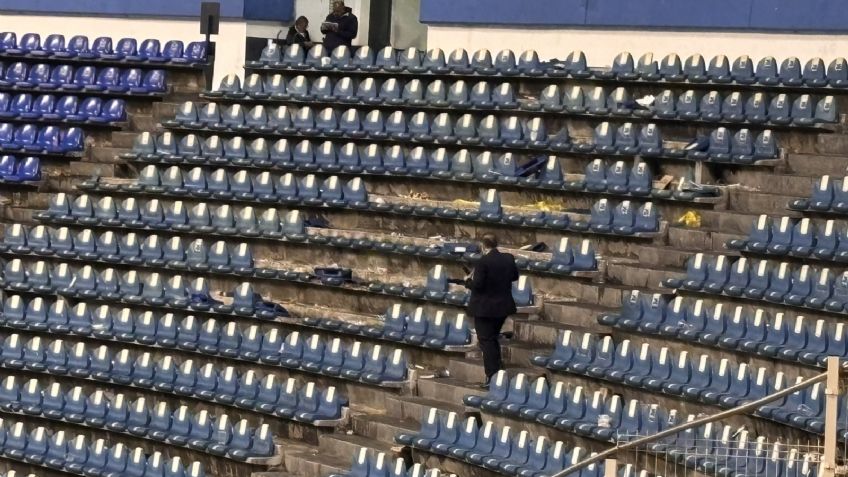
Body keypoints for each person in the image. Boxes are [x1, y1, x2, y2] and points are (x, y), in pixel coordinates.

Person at [464, 233, 519, 388]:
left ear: (483, 246)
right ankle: (498, 371)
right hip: (503, 307)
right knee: (492, 338)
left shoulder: (483, 262)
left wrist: (468, 281)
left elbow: (478, 286)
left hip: (485, 309)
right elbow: (514, 276)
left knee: (486, 341)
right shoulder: (508, 259)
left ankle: (492, 375)